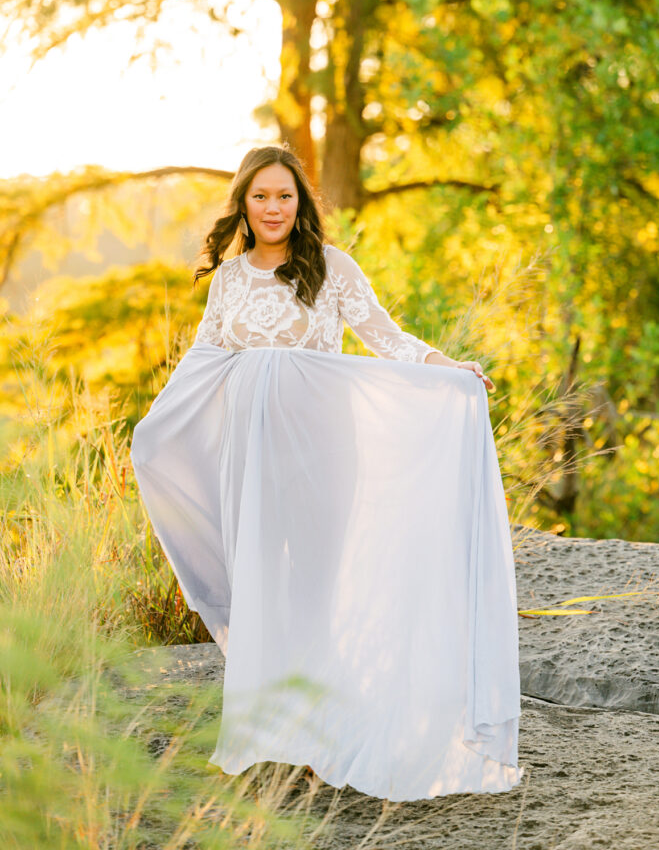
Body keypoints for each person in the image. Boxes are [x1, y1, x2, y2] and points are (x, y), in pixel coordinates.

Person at [130, 144, 524, 801]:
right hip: (250, 465)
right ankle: (266, 732)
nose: (273, 207)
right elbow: (202, 361)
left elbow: (385, 336)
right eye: (260, 197)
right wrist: (154, 429)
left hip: (323, 454)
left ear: (300, 203)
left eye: (284, 195)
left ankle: (325, 735)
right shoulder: (229, 280)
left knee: (316, 588)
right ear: (244, 206)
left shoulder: (330, 269)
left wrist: (442, 368)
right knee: (263, 588)